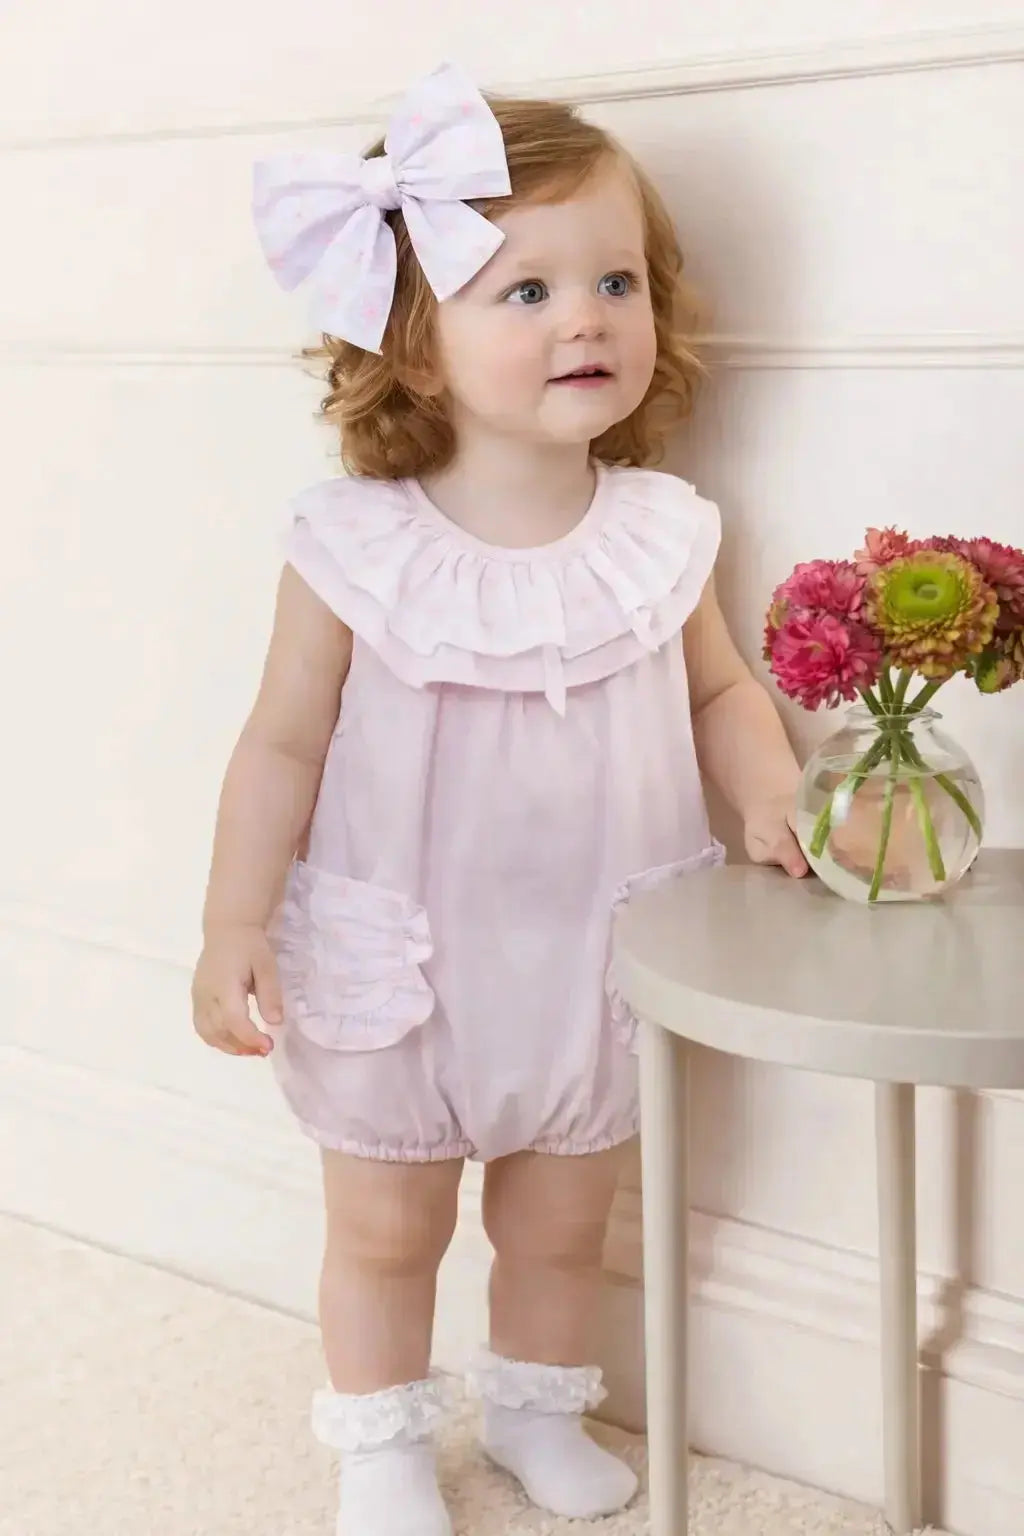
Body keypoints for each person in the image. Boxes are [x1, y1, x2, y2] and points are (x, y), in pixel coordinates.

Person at [191, 62, 808, 1536]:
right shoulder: (355, 545)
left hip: (596, 952)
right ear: (413, 348)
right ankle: (386, 1443)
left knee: (559, 1220)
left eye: (613, 280)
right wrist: (231, 922)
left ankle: (538, 1407)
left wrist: (773, 784)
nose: (585, 316)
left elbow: (722, 693)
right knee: (389, 1221)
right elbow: (280, 743)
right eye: (523, 292)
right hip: (405, 954)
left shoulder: (659, 536)